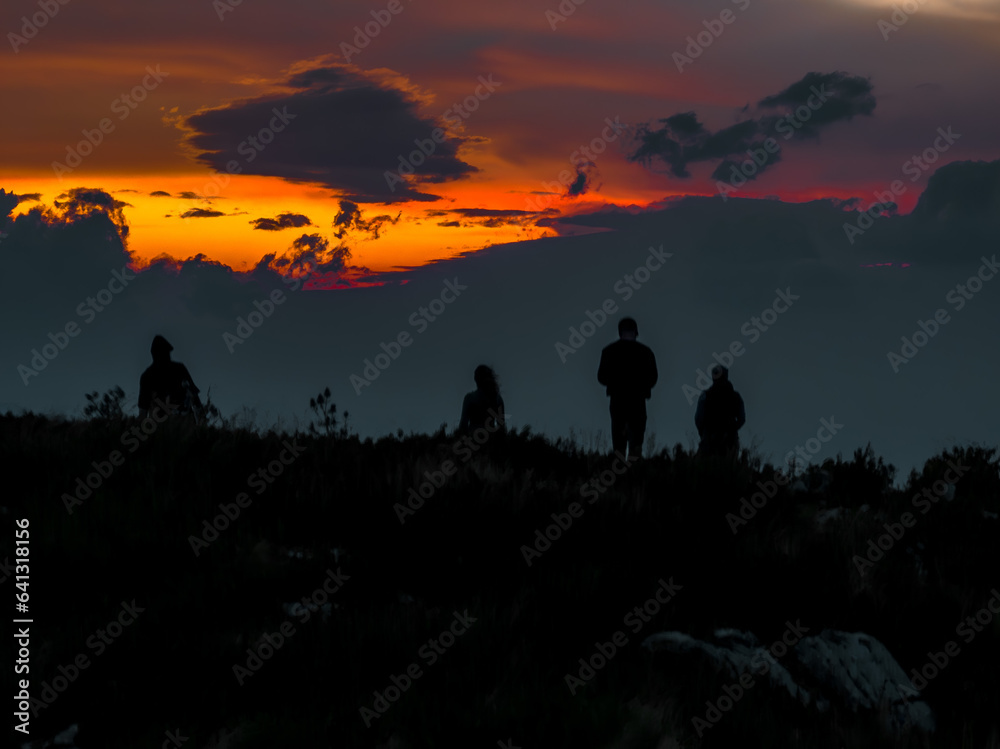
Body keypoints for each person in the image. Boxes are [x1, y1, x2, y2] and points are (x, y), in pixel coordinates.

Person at [597, 317, 658, 459]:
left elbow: (601, 377)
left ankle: (618, 473)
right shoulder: (646, 352)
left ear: (619, 332)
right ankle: (634, 472)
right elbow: (653, 378)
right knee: (636, 442)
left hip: (617, 401)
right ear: (636, 332)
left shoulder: (609, 351)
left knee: (619, 442)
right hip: (638, 402)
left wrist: (616, 382)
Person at [138, 335, 203, 420]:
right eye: (164, 353)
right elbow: (143, 407)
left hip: (184, 421)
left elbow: (193, 395)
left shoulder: (179, 369)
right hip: (161, 425)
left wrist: (201, 419)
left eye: (167, 353)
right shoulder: (147, 376)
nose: (167, 356)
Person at [695, 364, 746, 460]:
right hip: (730, 443)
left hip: (709, 441)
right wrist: (732, 429)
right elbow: (742, 419)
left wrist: (703, 433)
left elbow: (698, 419)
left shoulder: (705, 395)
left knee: (703, 471)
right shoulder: (736, 396)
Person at [459, 365, 505, 434]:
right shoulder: (497, 398)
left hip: (474, 438)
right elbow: (501, 426)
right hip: (490, 439)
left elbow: (463, 424)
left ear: (476, 379)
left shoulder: (470, 398)